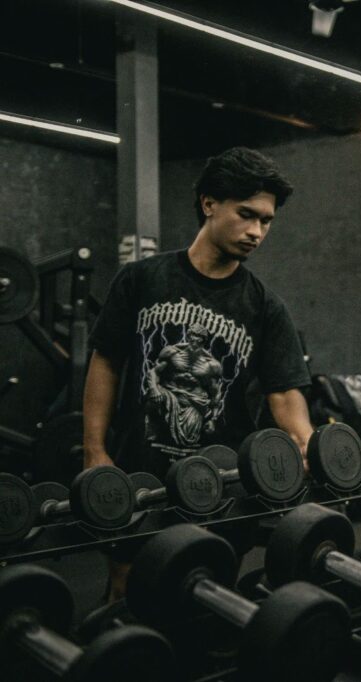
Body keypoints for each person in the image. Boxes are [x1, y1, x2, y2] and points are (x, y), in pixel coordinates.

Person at [83, 147, 314, 600]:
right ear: (209, 204)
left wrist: (306, 446)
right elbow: (106, 362)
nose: (256, 232)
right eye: (246, 214)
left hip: (222, 484)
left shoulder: (266, 307)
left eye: (266, 221)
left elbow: (284, 392)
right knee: (126, 587)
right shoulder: (141, 280)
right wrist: (94, 450)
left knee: (206, 591)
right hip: (139, 474)